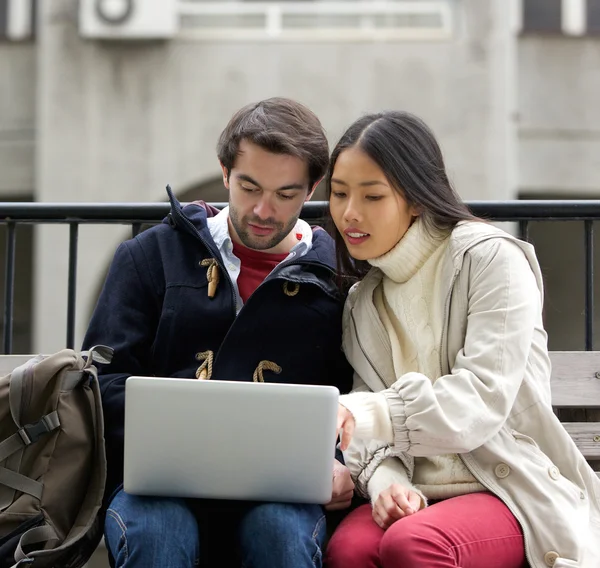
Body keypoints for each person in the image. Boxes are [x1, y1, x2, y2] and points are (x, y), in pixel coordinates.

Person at [82, 97, 354, 568]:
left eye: (286, 194)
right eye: (249, 187)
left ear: (312, 189)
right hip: (157, 486)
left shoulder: (340, 281)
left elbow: (358, 396)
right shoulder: (149, 257)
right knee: (158, 532)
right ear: (225, 172)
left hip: (282, 494)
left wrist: (341, 467)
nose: (264, 210)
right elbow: (98, 383)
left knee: (281, 536)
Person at [325, 110, 600, 568]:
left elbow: (480, 399)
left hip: (507, 487)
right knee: (350, 549)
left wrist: (366, 412)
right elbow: (367, 432)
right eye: (338, 194)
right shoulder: (362, 302)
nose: (349, 213)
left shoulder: (491, 260)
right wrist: (386, 484)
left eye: (372, 196)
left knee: (413, 543)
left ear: (416, 199)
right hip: (421, 494)